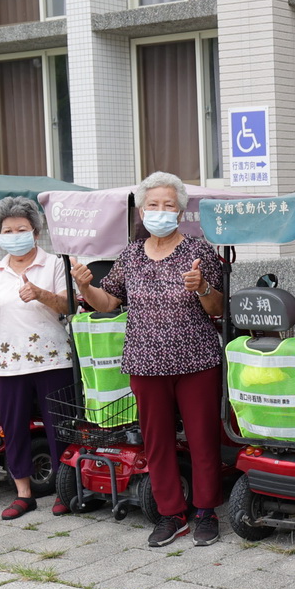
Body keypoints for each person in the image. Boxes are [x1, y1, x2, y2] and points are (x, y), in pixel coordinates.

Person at [71, 172, 227, 548]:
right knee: (156, 442)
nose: (160, 211)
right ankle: (171, 513)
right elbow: (108, 303)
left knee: (203, 438)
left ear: (180, 210)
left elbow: (220, 308)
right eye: (153, 205)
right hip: (144, 362)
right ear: (142, 210)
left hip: (196, 359)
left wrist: (202, 287)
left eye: (168, 205)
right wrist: (84, 287)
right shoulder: (130, 255)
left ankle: (206, 511)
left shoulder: (199, 250)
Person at [0, 196, 76, 520]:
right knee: (14, 429)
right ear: (0, 234)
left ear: (36, 232)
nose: (14, 234)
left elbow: (68, 306)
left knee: (60, 428)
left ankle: (66, 490)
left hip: (54, 359)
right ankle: (23, 494)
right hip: (9, 365)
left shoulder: (55, 264)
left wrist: (39, 293)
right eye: (8, 230)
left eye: (22, 228)